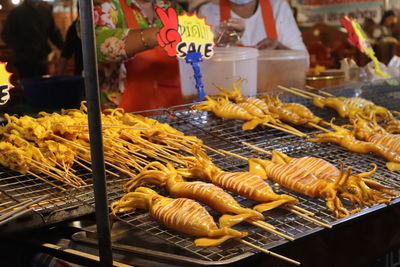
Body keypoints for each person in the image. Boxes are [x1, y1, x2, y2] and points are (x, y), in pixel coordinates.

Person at [94, 0, 184, 112]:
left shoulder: (172, 8)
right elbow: (96, 45)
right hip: (121, 117)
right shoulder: (106, 5)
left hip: (173, 111)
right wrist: (155, 36)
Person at [197, 0, 308, 53]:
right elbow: (195, 64)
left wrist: (279, 48)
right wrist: (220, 43)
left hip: (271, 92)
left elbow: (304, 61)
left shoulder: (279, 8)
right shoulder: (207, 12)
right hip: (225, 93)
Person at [1, 0, 64, 79]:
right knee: (30, 85)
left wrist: (62, 47)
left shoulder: (44, 11)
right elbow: (7, 35)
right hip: (24, 59)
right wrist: (22, 47)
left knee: (42, 83)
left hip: (41, 57)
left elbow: (54, 32)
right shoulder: (16, 13)